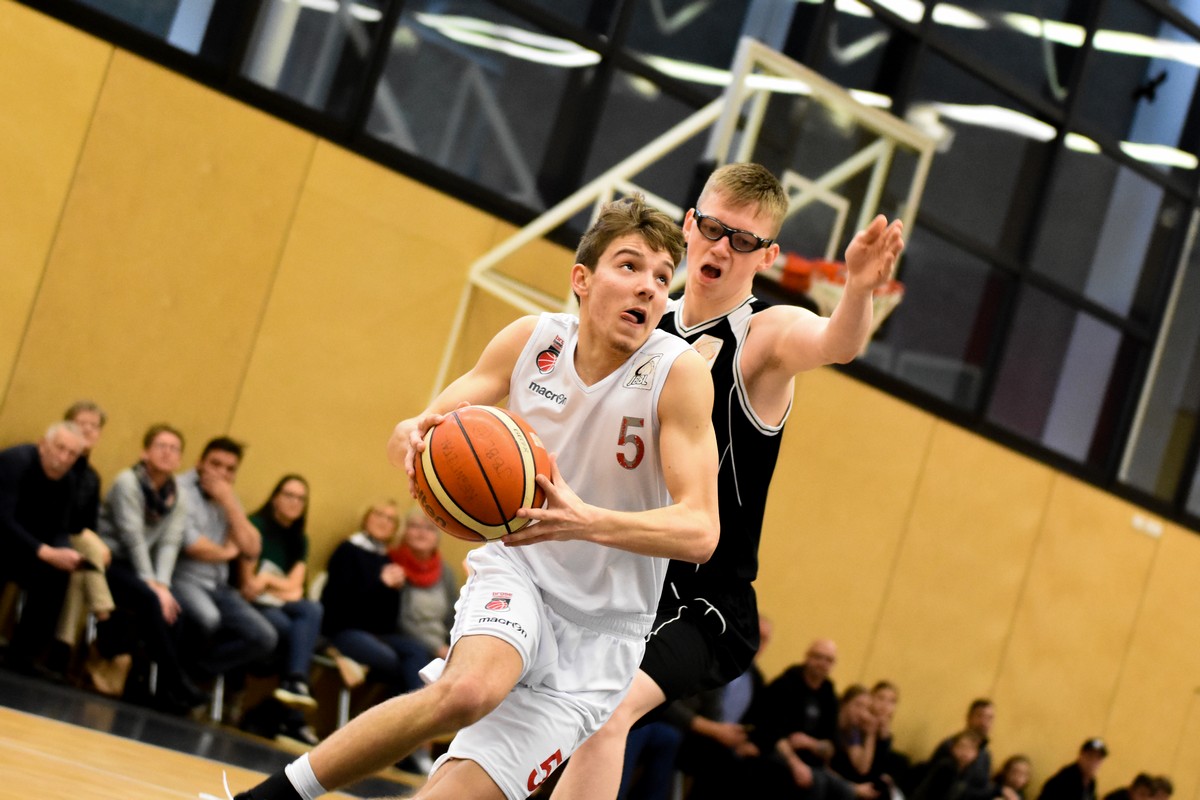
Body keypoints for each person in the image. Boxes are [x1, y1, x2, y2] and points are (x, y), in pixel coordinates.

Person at [213, 193, 720, 800]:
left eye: (663, 278)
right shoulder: (532, 341)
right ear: (581, 279)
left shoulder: (677, 373)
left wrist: (586, 520)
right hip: (520, 571)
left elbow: (701, 530)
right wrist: (412, 432)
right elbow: (430, 425)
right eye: (630, 266)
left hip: (604, 632)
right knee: (467, 691)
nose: (649, 288)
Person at [551, 162, 905, 800]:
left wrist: (856, 290)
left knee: (603, 710)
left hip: (704, 601)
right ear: (689, 224)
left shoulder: (762, 336)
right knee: (532, 710)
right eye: (714, 228)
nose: (722, 246)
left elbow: (834, 342)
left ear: (766, 255)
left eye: (743, 240)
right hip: (615, 575)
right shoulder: (641, 323)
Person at [97, 423, 207, 712]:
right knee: (150, 602)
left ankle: (162, 690)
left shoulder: (177, 494)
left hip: (141, 568)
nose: (168, 453)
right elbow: (132, 537)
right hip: (111, 560)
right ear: (145, 452)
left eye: (175, 449)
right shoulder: (127, 483)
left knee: (174, 610)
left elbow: (170, 542)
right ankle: (175, 679)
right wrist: (152, 585)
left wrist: (163, 585)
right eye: (161, 446)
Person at [173, 437, 277, 685]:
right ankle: (180, 679)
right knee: (208, 619)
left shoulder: (227, 497)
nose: (221, 474)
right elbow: (193, 546)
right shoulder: (179, 490)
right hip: (183, 578)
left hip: (217, 586)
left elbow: (252, 548)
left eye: (230, 469)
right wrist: (229, 552)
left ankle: (191, 675)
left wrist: (229, 503)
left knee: (264, 637)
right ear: (200, 463)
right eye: (215, 464)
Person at [239, 474, 324, 745]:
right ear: (275, 497)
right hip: (252, 604)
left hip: (283, 605)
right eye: (289, 495)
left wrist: (267, 581)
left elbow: (296, 589)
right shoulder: (255, 525)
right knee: (296, 631)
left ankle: (294, 684)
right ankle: (293, 713)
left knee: (311, 610)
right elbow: (248, 584)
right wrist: (273, 585)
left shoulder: (300, 539)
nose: (295, 502)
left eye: (301, 498)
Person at [319, 499, 430, 701]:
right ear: (366, 518)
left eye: (391, 519)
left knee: (416, 651)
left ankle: (412, 715)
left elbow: (387, 622)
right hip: (343, 630)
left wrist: (394, 591)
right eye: (379, 514)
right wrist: (380, 584)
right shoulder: (348, 550)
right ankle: (403, 718)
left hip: (375, 633)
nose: (384, 522)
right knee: (394, 662)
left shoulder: (386, 560)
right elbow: (338, 606)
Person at [0, 421, 86, 676]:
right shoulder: (15, 462)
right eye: (60, 449)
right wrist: (43, 551)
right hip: (4, 538)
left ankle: (23, 655)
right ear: (42, 445)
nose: (64, 458)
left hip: (27, 547)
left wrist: (64, 550)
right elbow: (3, 518)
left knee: (57, 573)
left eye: (72, 454)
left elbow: (59, 526)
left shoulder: (68, 480)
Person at [52, 400, 116, 677]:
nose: (89, 430)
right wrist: (92, 541)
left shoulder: (92, 476)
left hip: (72, 542)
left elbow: (87, 523)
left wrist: (90, 540)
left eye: (95, 426)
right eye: (83, 424)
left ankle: (61, 650)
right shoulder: (57, 462)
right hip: (46, 534)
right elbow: (58, 517)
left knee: (80, 570)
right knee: (89, 548)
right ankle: (105, 617)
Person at [390, 509, 459, 662]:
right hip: (406, 640)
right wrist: (437, 648)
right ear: (404, 531)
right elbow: (400, 620)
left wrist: (452, 648)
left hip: (441, 644)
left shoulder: (445, 571)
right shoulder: (393, 562)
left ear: (437, 538)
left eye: (430, 529)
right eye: (415, 526)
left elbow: (451, 616)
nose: (422, 533)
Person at [918, 699, 1006, 800]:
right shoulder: (950, 746)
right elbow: (950, 791)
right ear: (969, 717)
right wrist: (995, 791)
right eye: (980, 716)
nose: (984, 722)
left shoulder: (985, 755)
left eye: (990, 718)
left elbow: (983, 787)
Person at [912, 730, 985, 800]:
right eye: (962, 746)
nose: (965, 751)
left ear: (977, 753)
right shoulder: (946, 767)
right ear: (953, 748)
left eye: (971, 748)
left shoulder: (969, 770)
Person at [1036, 739, 1108, 800]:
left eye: (1098, 758)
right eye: (1090, 756)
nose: (1093, 762)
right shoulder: (1063, 780)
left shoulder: (1091, 783)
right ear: (1081, 756)